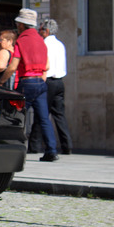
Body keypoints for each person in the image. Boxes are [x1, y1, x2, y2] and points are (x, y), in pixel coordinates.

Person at [0, 8, 58, 162]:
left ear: (22, 25)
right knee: (44, 118)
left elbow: (13, 66)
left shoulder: (22, 41)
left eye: (18, 23)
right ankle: (51, 150)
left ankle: (11, 149)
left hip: (27, 82)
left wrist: (2, 81)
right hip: (40, 81)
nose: (17, 25)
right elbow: (47, 65)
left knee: (15, 117)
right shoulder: (41, 40)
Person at [29, 19, 73, 154]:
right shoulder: (60, 44)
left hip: (47, 81)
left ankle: (34, 146)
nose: (39, 32)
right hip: (59, 82)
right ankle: (67, 145)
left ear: (46, 31)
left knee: (41, 114)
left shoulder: (44, 45)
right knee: (59, 115)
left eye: (40, 30)